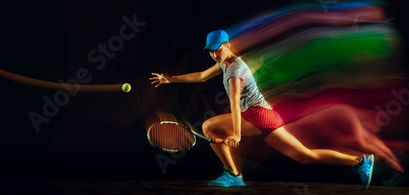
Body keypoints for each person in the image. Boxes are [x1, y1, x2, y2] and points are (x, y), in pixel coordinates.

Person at [150, 30, 375, 189]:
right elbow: (201, 76)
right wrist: (170, 79)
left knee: (210, 126)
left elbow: (235, 105)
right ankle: (360, 161)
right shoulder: (225, 62)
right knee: (304, 156)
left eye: (217, 50)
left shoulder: (234, 71)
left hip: (258, 116)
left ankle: (233, 175)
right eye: (210, 51)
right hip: (262, 115)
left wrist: (236, 134)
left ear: (226, 45)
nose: (214, 55)